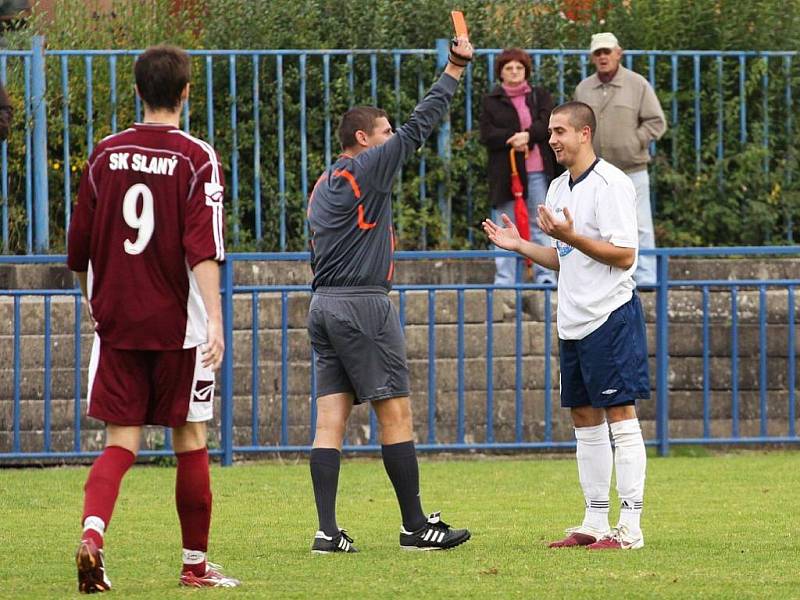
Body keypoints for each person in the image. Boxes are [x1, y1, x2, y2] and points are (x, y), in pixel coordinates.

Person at [66, 45, 240, 592]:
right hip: (178, 324)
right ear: (186, 92)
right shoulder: (196, 157)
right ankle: (193, 567)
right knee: (190, 436)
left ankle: (93, 536)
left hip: (118, 319)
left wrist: (91, 301)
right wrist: (215, 318)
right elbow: (203, 247)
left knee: (121, 440)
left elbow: (80, 245)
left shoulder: (104, 154)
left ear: (137, 91)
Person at [305, 26, 473, 554]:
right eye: (383, 131)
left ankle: (327, 533)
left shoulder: (324, 181)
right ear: (363, 140)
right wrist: (455, 69)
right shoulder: (369, 168)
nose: (390, 137)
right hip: (363, 305)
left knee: (329, 420)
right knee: (395, 413)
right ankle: (414, 527)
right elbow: (421, 126)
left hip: (322, 305)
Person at [482, 101, 650, 550]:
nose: (552, 139)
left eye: (559, 131)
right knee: (583, 417)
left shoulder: (612, 183)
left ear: (585, 134)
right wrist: (519, 246)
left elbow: (624, 256)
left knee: (620, 416)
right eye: (551, 132)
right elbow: (564, 258)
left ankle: (629, 529)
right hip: (573, 320)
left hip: (610, 316)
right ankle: (594, 522)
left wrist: (571, 236)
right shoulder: (557, 188)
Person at [574, 32, 666, 286]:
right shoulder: (583, 88)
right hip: (596, 171)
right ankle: (602, 278)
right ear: (592, 57)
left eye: (607, 51)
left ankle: (646, 277)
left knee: (640, 224)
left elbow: (656, 121)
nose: (603, 57)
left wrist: (635, 141)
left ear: (618, 53)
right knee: (595, 226)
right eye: (598, 53)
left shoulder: (638, 84)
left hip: (632, 167)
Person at [479, 47, 558, 285]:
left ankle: (545, 277)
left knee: (540, 224)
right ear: (500, 73)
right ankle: (505, 280)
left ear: (526, 71)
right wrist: (514, 138)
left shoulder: (539, 95)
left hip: (537, 172)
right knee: (505, 224)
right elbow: (487, 134)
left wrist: (528, 136)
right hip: (507, 175)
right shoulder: (491, 101)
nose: (514, 72)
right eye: (508, 68)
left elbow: (548, 123)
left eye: (519, 68)